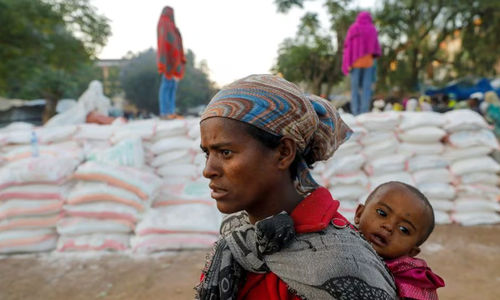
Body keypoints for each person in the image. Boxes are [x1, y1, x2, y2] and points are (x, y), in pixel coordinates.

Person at [196, 74, 396, 299]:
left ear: (284, 153)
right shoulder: (238, 232)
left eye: (225, 152)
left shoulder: (340, 261)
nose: (208, 170)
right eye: (207, 153)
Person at [354, 181, 445, 300]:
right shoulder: (335, 241)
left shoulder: (412, 281)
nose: (389, 226)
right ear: (359, 214)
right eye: (382, 213)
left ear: (412, 252)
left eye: (404, 229)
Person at [342, 11, 381, 116]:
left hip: (355, 63)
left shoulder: (353, 28)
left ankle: (355, 111)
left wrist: (347, 61)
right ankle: (364, 111)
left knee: (354, 89)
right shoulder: (372, 29)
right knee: (366, 88)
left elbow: (347, 46)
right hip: (368, 63)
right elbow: (375, 46)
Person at [156, 6, 186, 119]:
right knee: (166, 85)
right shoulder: (163, 22)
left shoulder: (173, 26)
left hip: (175, 61)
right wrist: (164, 60)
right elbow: (163, 42)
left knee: (173, 86)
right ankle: (164, 112)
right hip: (168, 60)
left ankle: (171, 111)